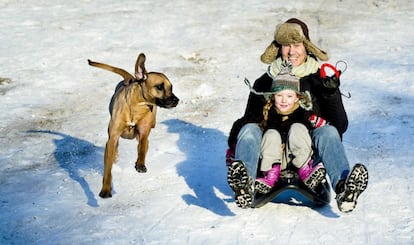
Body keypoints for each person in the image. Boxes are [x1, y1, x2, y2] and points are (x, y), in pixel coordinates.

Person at [226, 18, 368, 213]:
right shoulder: (265, 82)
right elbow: (249, 121)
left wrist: (331, 94)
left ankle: (344, 189)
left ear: (307, 47)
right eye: (286, 46)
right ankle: (245, 186)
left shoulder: (320, 80)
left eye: (296, 45)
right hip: (271, 153)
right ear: (278, 49)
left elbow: (340, 126)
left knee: (328, 132)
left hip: (308, 155)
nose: (291, 51)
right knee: (248, 129)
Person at [255, 64, 327, 194]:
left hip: (297, 159)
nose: (284, 100)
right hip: (275, 159)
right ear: (273, 96)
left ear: (297, 98)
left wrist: (320, 124)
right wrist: (234, 146)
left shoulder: (304, 114)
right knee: (271, 133)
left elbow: (322, 129)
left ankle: (306, 172)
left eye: (289, 96)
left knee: (298, 128)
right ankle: (269, 176)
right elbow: (248, 127)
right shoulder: (266, 114)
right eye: (279, 95)